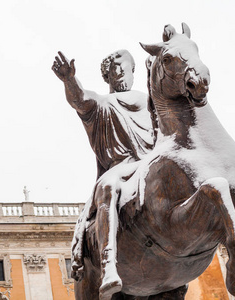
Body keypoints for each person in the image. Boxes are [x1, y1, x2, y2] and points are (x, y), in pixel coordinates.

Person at [52, 50, 154, 299]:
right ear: (106, 75)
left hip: (151, 164)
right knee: (107, 187)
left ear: (133, 71)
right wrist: (69, 80)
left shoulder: (152, 103)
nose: (120, 72)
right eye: (114, 68)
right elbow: (81, 100)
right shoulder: (103, 103)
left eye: (125, 67)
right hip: (121, 168)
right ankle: (109, 263)